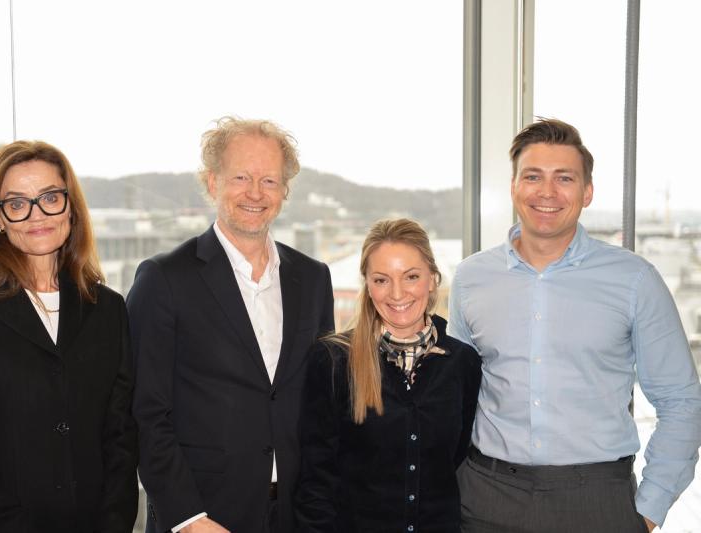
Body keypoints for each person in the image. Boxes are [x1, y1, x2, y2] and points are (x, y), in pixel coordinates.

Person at [448, 118, 701, 532]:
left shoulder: (635, 279)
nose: (547, 192)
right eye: (533, 176)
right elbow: (455, 395)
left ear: (587, 192)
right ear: (514, 187)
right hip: (486, 498)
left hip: (597, 501)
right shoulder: (471, 277)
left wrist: (648, 508)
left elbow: (681, 400)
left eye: (564, 178)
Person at [127, 116, 334, 533]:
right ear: (212, 182)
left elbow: (320, 406)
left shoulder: (313, 278)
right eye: (241, 177)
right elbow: (143, 412)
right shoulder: (164, 279)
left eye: (269, 180)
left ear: (284, 190)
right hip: (202, 517)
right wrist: (188, 517)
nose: (255, 192)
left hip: (294, 515)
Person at [0, 140, 139, 533]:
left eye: (50, 197)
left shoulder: (107, 308)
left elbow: (120, 439)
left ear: (70, 207)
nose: (37, 214)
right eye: (17, 203)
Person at [295, 218, 481, 533]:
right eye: (381, 280)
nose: (397, 294)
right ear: (368, 285)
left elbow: (455, 462)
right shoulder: (333, 361)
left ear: (433, 279)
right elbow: (316, 481)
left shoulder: (463, 363)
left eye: (411, 277)